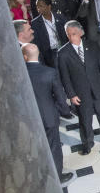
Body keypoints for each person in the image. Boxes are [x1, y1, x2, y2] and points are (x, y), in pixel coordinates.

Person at [56, 21, 100, 155]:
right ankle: (87, 143)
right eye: (68, 34)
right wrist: (71, 95)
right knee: (85, 119)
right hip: (80, 92)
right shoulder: (63, 53)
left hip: (97, 88)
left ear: (80, 33)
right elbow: (65, 77)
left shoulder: (93, 45)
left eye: (74, 34)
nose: (71, 37)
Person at [22, 43, 73, 182]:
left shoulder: (19, 73)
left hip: (28, 118)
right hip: (49, 116)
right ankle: (57, 177)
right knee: (54, 147)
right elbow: (60, 97)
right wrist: (62, 111)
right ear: (37, 54)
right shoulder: (49, 72)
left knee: (34, 148)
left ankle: (39, 176)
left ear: (24, 57)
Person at [30, 0, 69, 68]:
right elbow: (37, 44)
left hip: (64, 49)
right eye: (37, 7)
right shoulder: (35, 23)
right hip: (50, 53)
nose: (38, 9)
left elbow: (68, 35)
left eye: (41, 6)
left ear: (49, 6)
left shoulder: (60, 17)